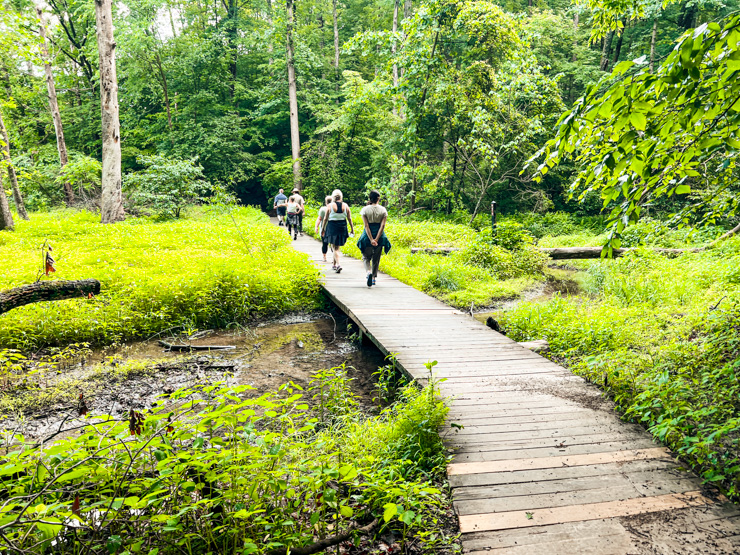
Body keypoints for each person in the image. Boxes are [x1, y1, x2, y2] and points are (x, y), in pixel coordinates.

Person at [357, 190, 391, 287]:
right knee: (376, 258)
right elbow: (382, 226)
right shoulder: (383, 210)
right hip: (379, 237)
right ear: (378, 199)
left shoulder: (365, 210)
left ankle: (368, 272)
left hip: (367, 236)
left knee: (366, 257)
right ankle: (374, 278)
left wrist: (371, 239)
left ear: (370, 198)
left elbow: (366, 226)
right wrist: (376, 239)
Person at [321, 189, 355, 273]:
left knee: (334, 247)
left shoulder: (330, 205)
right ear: (341, 197)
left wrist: (323, 228)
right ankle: (334, 264)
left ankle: (338, 264)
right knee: (337, 247)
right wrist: (352, 229)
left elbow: (325, 218)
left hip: (332, 226)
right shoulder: (346, 205)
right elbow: (349, 218)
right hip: (342, 226)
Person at [315, 195, 333, 262]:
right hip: (332, 229)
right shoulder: (334, 209)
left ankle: (324, 257)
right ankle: (334, 257)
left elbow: (319, 219)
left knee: (324, 243)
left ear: (326, 202)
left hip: (324, 229)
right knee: (333, 244)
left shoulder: (322, 209)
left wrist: (316, 227)